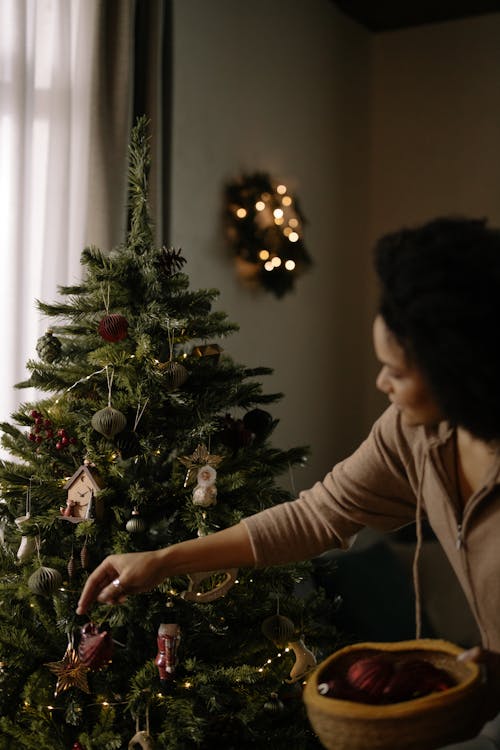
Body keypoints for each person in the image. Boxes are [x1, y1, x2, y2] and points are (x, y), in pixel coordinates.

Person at [77, 216, 500, 749]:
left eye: (396, 370)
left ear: (459, 372)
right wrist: (162, 561)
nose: (380, 382)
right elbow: (314, 516)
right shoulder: (412, 433)